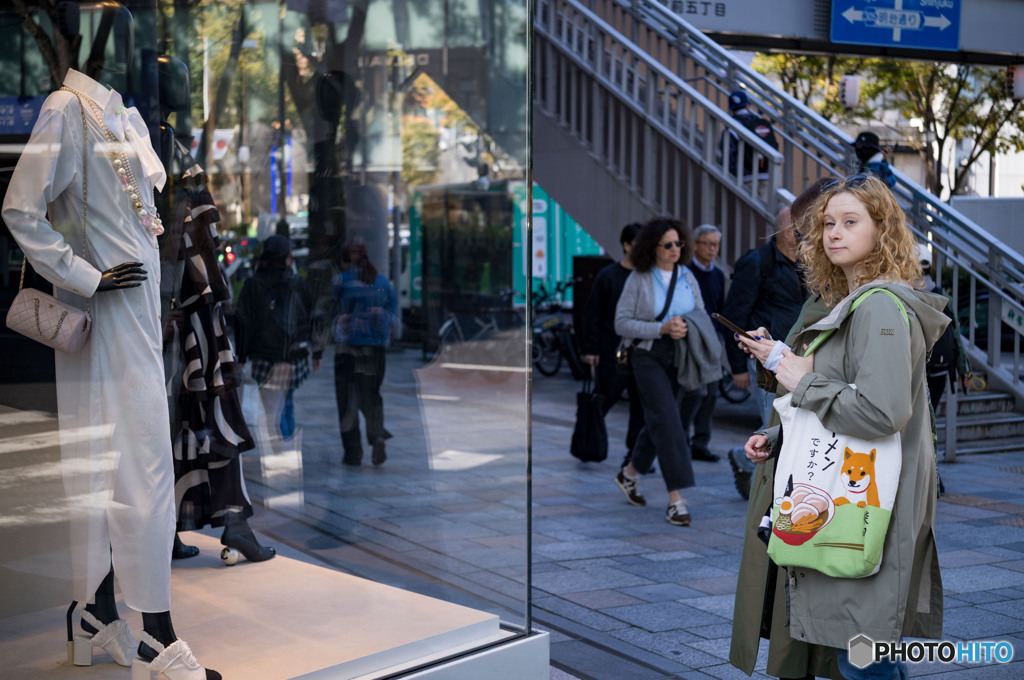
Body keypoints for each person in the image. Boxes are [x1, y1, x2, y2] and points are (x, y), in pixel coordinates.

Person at [2, 64, 220, 676]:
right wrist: (82, 275)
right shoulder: (66, 110)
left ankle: (95, 617)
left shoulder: (125, 117)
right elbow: (21, 209)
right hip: (104, 315)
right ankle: (157, 634)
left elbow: (140, 221)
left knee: (117, 464)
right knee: (142, 462)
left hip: (137, 318)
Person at [730, 174, 947, 679]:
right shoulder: (861, 300)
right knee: (861, 655)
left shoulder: (877, 307)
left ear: (882, 229)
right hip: (853, 500)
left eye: (851, 222)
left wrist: (802, 380)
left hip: (866, 507)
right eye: (828, 223)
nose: (832, 233)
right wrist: (783, 433)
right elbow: (847, 398)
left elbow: (880, 413)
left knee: (863, 659)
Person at [156, 54, 275, 565]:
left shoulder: (150, 140)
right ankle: (232, 522)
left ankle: (175, 527)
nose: (183, 81)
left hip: (175, 304)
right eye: (172, 74)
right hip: (187, 306)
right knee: (210, 410)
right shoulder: (159, 144)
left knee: (181, 417)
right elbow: (184, 235)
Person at [613, 218, 720, 526]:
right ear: (653, 248)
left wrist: (687, 325)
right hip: (647, 355)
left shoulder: (687, 275)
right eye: (668, 245)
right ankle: (676, 500)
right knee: (669, 420)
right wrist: (660, 327)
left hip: (682, 354)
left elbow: (699, 312)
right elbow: (621, 323)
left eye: (678, 244)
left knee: (664, 418)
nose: (675, 250)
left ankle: (629, 473)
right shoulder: (639, 278)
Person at [235, 235, 323, 446]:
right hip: (295, 355)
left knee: (273, 407)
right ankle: (287, 444)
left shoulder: (253, 284)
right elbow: (315, 318)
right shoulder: (298, 283)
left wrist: (241, 356)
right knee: (287, 401)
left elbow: (243, 323)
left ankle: (283, 448)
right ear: (287, 257)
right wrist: (317, 352)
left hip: (265, 357)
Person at [723, 206, 806, 427]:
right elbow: (735, 314)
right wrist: (738, 367)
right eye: (803, 228)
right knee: (775, 424)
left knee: (787, 424)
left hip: (792, 356)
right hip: (763, 357)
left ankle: (742, 457)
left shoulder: (803, 263)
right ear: (789, 232)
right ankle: (747, 457)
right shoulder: (756, 262)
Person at [580, 222, 645, 466]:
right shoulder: (608, 276)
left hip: (640, 353)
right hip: (610, 353)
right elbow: (592, 314)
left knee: (640, 407)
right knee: (603, 400)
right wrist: (590, 349)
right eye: (638, 244)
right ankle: (588, 442)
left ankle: (633, 456)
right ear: (626, 246)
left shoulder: (647, 277)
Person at [332, 240, 398, 466]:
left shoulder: (341, 281)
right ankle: (377, 434)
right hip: (376, 350)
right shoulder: (381, 281)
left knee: (347, 401)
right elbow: (392, 312)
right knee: (371, 395)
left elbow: (331, 313)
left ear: (345, 260)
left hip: (348, 351)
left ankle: (353, 453)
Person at [684, 224, 727, 462]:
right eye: (708, 244)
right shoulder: (685, 273)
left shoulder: (718, 274)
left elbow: (720, 308)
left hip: (713, 340)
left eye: (716, 245)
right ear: (695, 245)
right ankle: (682, 441)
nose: (712, 249)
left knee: (711, 394)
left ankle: (701, 443)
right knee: (692, 392)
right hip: (691, 338)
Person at [916, 243, 971, 413]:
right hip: (940, 369)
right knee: (929, 420)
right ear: (930, 266)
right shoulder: (942, 295)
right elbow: (955, 334)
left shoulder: (904, 294)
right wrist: (963, 371)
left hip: (914, 371)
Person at [722, 90, 779, 196]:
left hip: (744, 177)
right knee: (767, 210)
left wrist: (730, 174)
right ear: (747, 105)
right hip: (766, 175)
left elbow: (728, 152)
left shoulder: (730, 125)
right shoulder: (760, 122)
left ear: (731, 109)